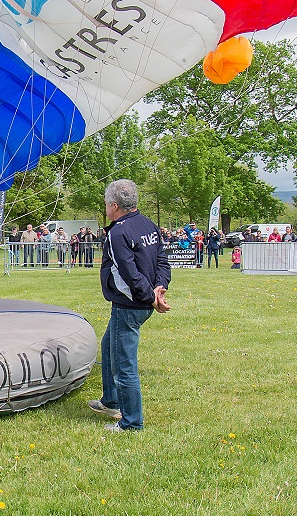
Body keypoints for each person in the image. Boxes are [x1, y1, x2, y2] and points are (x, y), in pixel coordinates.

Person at [88, 179, 170, 432]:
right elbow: (162, 262)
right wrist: (159, 288)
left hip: (130, 305)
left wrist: (150, 296)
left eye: (105, 205)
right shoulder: (148, 225)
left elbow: (128, 273)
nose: (105, 209)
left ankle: (131, 422)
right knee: (108, 347)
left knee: (124, 365)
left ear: (114, 205)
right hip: (139, 300)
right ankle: (111, 401)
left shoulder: (117, 232)